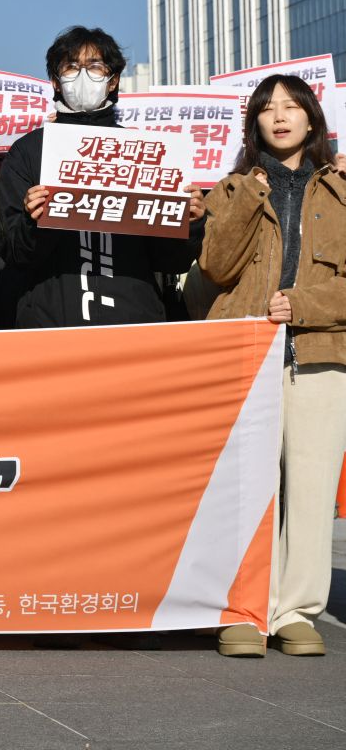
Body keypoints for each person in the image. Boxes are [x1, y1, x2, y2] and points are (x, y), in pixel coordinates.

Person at [197, 75, 346, 659]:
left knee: (309, 489)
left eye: (291, 107)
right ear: (253, 123)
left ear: (313, 119)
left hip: (319, 354)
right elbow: (215, 266)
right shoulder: (233, 188)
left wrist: (303, 304)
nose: (280, 117)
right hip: (246, 355)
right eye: (267, 109)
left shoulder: (340, 189)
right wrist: (249, 194)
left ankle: (297, 611)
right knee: (245, 489)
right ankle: (241, 608)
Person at [0, 26, 204, 325]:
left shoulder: (144, 151)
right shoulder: (27, 152)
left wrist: (191, 223)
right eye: (70, 67)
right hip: (51, 326)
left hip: (134, 324)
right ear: (55, 81)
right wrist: (33, 221)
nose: (82, 77)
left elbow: (172, 261)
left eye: (94, 67)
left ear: (112, 79)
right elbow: (14, 254)